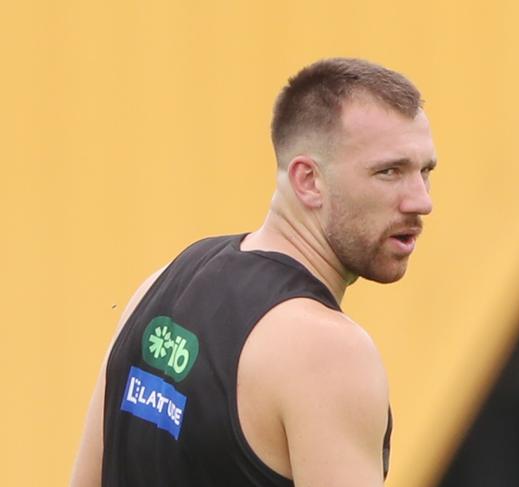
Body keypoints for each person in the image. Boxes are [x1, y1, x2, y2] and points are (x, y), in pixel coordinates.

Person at [71, 57, 436, 487]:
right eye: (389, 172)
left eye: (425, 171)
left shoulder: (165, 281)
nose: (421, 201)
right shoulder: (329, 352)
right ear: (308, 181)